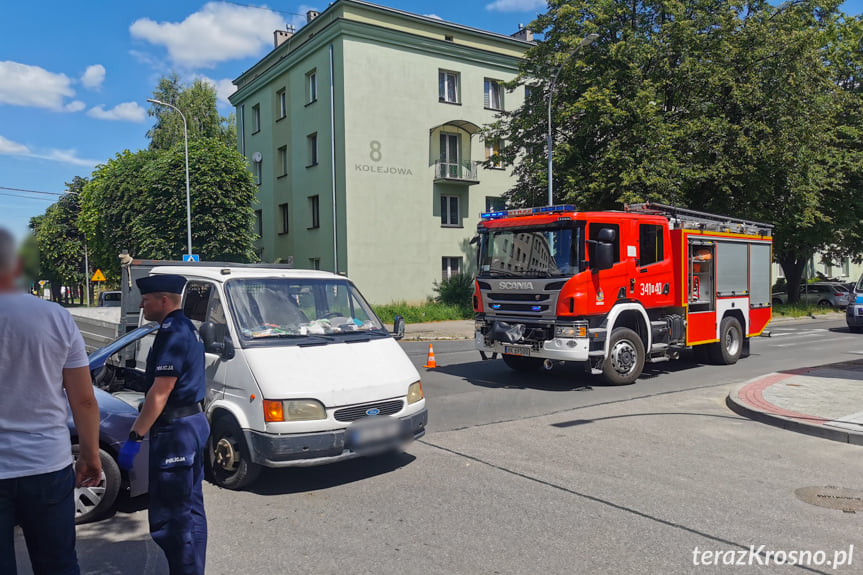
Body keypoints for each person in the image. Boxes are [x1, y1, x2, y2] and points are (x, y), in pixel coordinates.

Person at [0, 227, 102, 575]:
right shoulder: (55, 317)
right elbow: (85, 401)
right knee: (57, 564)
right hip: (47, 464)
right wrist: (89, 456)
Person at [117, 274, 209, 575]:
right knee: (191, 511)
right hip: (191, 422)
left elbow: (160, 393)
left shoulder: (172, 333)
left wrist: (135, 437)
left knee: (172, 519)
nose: (142, 306)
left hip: (176, 432)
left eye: (146, 300)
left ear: (164, 301)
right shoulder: (185, 328)